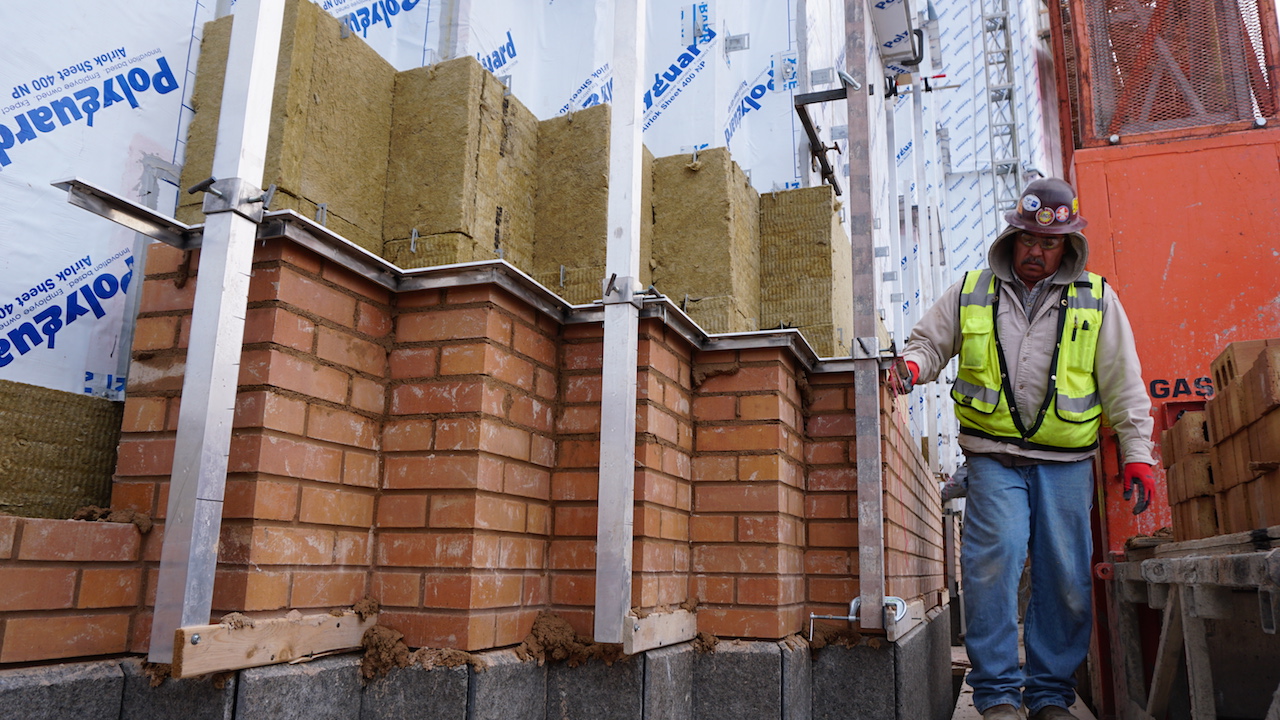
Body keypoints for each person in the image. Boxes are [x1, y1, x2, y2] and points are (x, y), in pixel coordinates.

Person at [898, 178, 1156, 720]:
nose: (1037, 252)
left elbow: (1123, 382)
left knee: (1065, 577)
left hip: (1067, 463)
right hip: (994, 458)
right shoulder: (972, 290)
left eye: (1050, 243)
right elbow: (928, 343)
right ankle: (996, 694)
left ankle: (1049, 695)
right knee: (993, 565)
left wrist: (1137, 452)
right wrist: (911, 368)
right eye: (1028, 240)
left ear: (1068, 246)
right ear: (1012, 238)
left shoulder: (1096, 298)